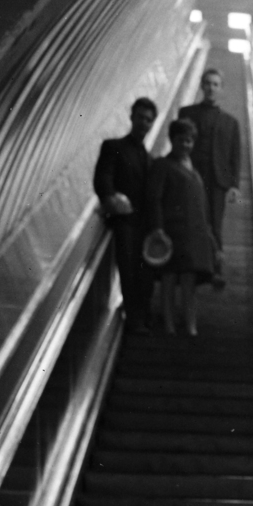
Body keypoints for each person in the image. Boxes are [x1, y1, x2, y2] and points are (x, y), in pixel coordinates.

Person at [92, 97, 158, 333]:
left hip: (144, 225)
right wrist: (111, 197)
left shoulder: (150, 159)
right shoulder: (113, 146)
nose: (144, 123)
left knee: (144, 271)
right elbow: (103, 178)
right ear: (131, 117)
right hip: (124, 221)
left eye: (149, 120)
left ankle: (143, 315)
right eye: (140, 117)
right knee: (129, 268)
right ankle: (134, 318)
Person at [147, 118, 217, 336]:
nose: (185, 145)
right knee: (168, 279)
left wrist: (208, 234)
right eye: (181, 140)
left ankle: (190, 326)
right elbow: (154, 198)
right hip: (171, 231)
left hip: (193, 234)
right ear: (172, 140)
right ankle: (169, 326)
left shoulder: (194, 170)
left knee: (189, 280)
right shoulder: (162, 165)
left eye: (189, 141)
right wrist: (158, 228)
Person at [176, 68, 241, 289]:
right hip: (190, 177)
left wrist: (234, 185)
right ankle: (190, 267)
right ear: (201, 86)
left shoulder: (231, 122)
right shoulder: (187, 113)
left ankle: (215, 268)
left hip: (217, 181)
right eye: (207, 83)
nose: (211, 88)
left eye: (215, 84)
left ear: (221, 89)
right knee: (191, 222)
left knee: (214, 224)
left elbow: (235, 155)